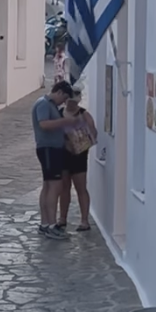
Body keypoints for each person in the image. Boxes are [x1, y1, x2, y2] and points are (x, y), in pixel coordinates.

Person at [32, 81, 77, 239]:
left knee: (48, 186)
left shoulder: (49, 104)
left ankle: (45, 224)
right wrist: (65, 122)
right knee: (55, 186)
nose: (63, 102)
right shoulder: (44, 104)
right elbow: (44, 124)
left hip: (51, 149)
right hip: (49, 149)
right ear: (58, 92)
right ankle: (51, 225)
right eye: (63, 98)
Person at [58, 86, 98, 232]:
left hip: (79, 155)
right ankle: (62, 218)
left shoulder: (84, 114)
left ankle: (84, 220)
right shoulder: (59, 113)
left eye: (74, 100)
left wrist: (81, 132)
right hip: (63, 154)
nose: (71, 103)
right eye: (69, 100)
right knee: (64, 188)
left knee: (81, 188)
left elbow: (94, 134)